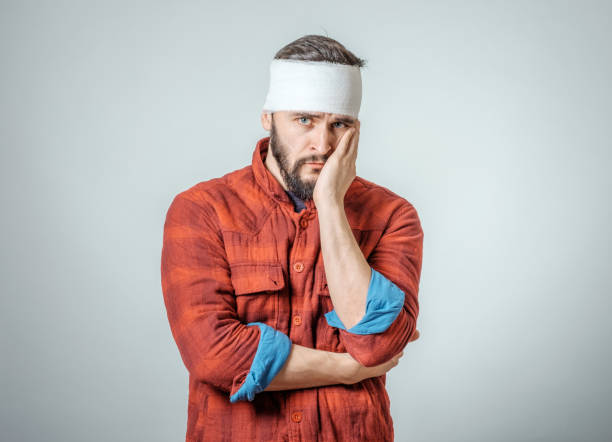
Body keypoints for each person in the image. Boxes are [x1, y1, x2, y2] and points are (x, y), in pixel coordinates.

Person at [160, 34, 424, 442]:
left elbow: (377, 344)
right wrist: (348, 369)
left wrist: (331, 205)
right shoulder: (202, 210)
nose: (323, 144)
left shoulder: (392, 216)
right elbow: (212, 355)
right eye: (304, 120)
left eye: (340, 124)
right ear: (268, 117)